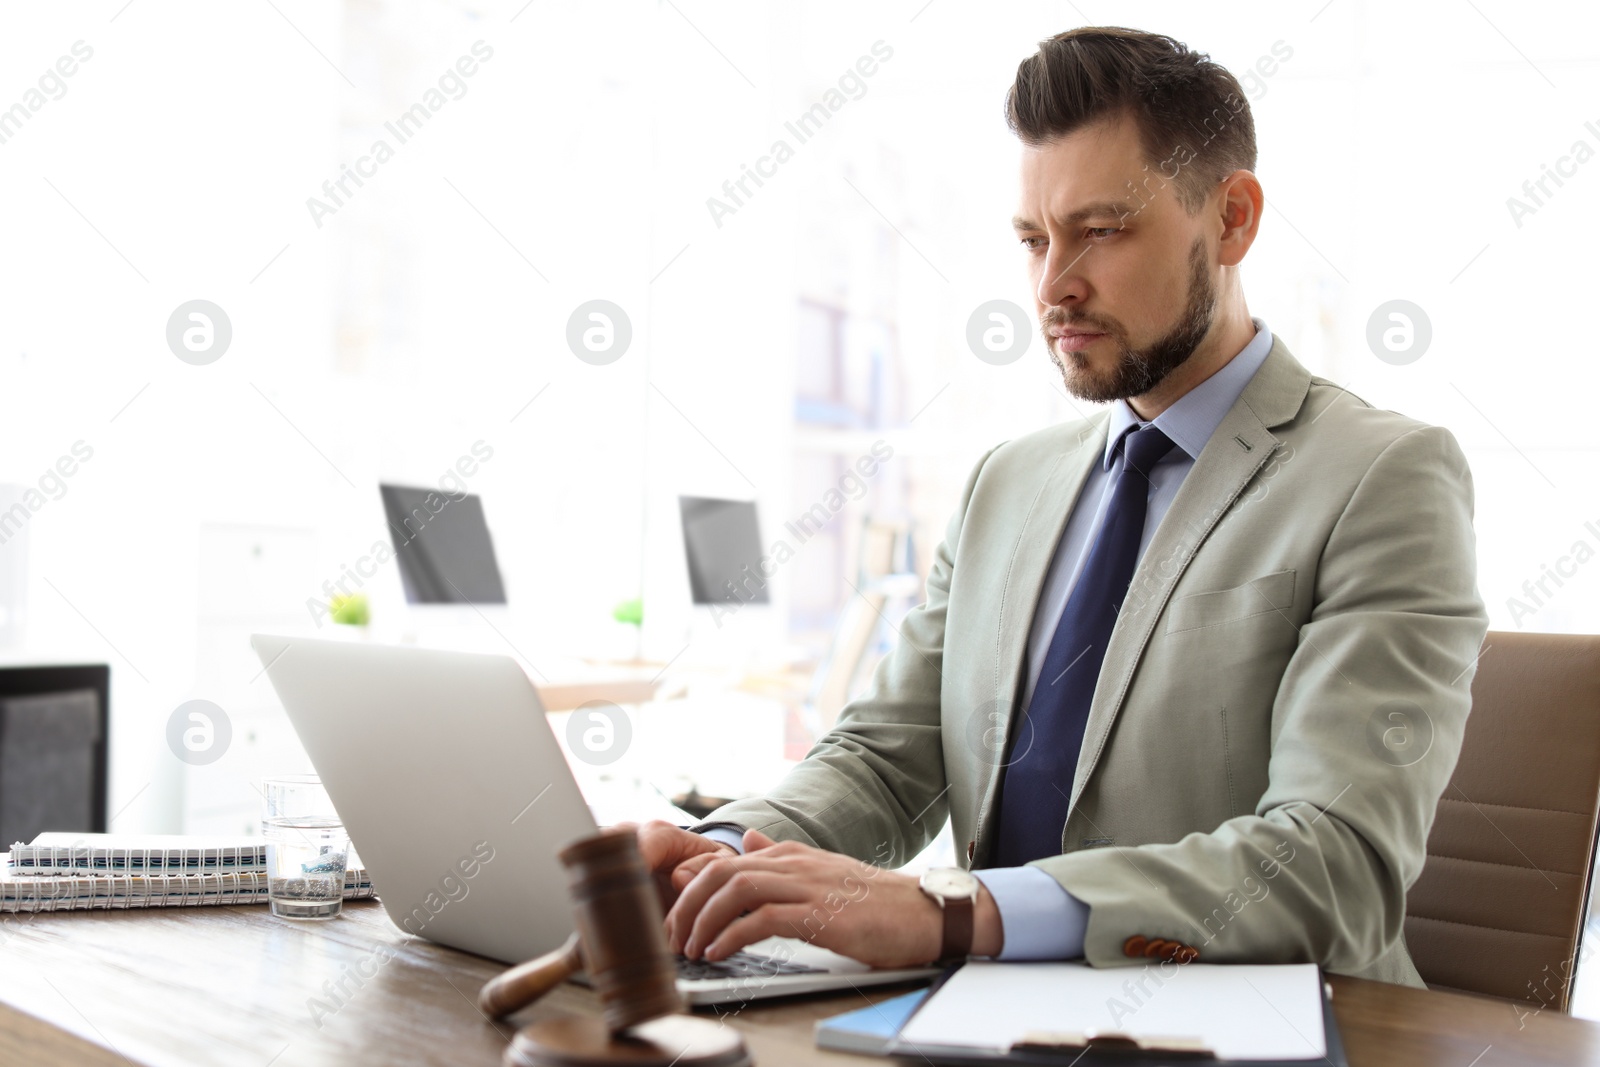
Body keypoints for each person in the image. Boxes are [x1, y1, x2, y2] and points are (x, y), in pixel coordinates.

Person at [637, 26, 1487, 985]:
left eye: (1103, 231)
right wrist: (723, 851)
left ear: (1234, 220)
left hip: (1261, 1031)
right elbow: (886, 758)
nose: (1053, 286)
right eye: (1035, 240)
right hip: (986, 1022)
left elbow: (1332, 866)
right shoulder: (1008, 481)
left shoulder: (1383, 476)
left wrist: (953, 914)